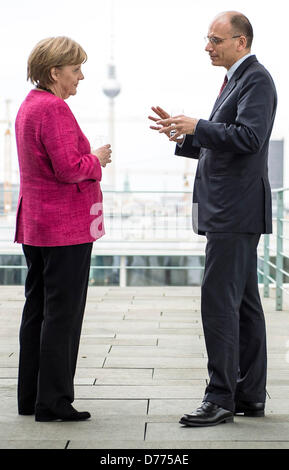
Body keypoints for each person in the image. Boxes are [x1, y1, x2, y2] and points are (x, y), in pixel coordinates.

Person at [149, 11, 277, 427]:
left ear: (241, 42)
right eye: (208, 39)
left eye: (216, 40)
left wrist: (199, 126)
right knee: (243, 304)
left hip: (234, 211)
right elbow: (226, 141)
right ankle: (249, 394)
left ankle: (220, 397)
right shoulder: (237, 81)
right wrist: (185, 135)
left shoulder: (256, 80)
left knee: (219, 304)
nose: (208, 46)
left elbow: (250, 138)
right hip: (230, 209)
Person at [15, 36, 112, 422]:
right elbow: (69, 168)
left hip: (37, 225)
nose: (81, 77)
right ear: (54, 71)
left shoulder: (29, 106)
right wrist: (96, 159)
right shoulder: (54, 109)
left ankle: (32, 396)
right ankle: (54, 401)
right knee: (63, 315)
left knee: (37, 309)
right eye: (75, 70)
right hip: (65, 229)